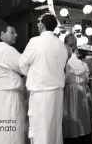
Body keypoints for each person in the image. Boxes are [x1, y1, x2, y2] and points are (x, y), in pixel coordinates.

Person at [19, 14, 68, 144]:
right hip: (57, 93)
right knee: (55, 130)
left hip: (41, 93)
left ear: (42, 25)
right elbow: (62, 66)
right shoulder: (61, 45)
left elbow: (22, 64)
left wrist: (33, 73)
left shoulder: (35, 41)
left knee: (40, 130)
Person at [0, 25, 25, 144]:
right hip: (7, 97)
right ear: (2, 34)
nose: (16, 35)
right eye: (12, 32)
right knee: (10, 134)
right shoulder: (5, 49)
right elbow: (23, 66)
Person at [63, 33, 92, 139]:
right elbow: (85, 77)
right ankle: (82, 130)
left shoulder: (66, 59)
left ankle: (72, 132)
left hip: (69, 88)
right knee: (80, 112)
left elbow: (64, 76)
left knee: (72, 111)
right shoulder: (79, 62)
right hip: (80, 88)